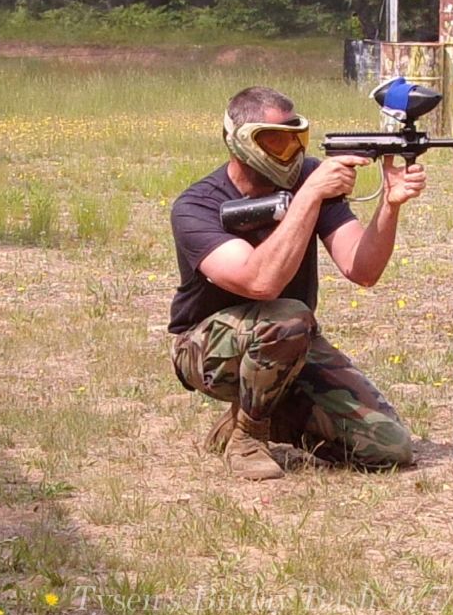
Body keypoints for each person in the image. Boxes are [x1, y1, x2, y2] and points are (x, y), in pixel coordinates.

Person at [169, 85, 427, 480]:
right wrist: (310, 195)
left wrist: (389, 205)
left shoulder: (308, 179)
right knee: (288, 317)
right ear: (239, 142)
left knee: (389, 448)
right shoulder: (196, 206)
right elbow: (260, 283)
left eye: (296, 140)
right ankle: (248, 438)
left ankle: (260, 412)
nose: (290, 154)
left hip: (290, 344)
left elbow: (363, 269)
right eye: (275, 141)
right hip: (206, 351)